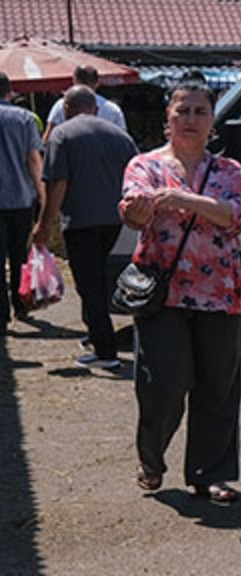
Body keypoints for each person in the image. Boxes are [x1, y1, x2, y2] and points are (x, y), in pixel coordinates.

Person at [118, 78, 241, 503]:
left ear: (213, 121)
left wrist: (181, 198)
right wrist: (140, 211)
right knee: (164, 382)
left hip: (221, 291)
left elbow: (240, 215)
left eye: (200, 111)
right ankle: (151, 458)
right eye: (183, 110)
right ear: (168, 118)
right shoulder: (145, 165)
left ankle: (209, 474)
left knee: (219, 386)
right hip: (163, 293)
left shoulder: (231, 171)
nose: (191, 119)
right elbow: (135, 211)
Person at [32, 85, 138, 369]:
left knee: (90, 285)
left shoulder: (62, 135)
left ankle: (106, 351)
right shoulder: (120, 136)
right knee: (97, 280)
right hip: (115, 221)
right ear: (96, 108)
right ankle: (96, 337)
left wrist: (44, 224)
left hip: (80, 221)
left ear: (66, 108)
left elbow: (58, 184)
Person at [0, 71, 45, 325]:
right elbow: (33, 159)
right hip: (20, 199)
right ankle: (20, 304)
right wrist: (43, 196)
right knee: (19, 256)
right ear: (9, 91)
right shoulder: (25, 118)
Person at [43, 65, 127, 142]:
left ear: (74, 80)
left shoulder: (62, 105)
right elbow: (123, 140)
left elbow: (48, 139)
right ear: (98, 82)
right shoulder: (112, 109)